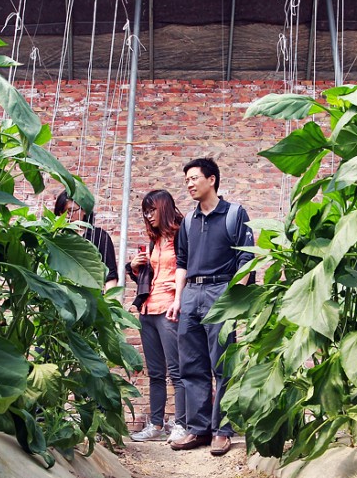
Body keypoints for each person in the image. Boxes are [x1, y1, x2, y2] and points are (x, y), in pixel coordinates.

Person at [167, 158, 254, 456]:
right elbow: (181, 262)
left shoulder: (234, 214)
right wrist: (178, 299)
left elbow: (247, 257)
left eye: (194, 178)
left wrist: (234, 295)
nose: (189, 184)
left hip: (221, 290)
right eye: (186, 180)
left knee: (223, 364)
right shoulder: (189, 222)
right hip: (192, 292)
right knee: (192, 365)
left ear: (212, 179)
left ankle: (222, 430)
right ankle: (199, 429)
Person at [126, 190, 188, 444]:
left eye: (152, 210)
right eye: (145, 211)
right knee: (155, 373)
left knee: (177, 371)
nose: (148, 215)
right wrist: (134, 268)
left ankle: (182, 425)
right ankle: (156, 424)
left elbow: (190, 268)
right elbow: (149, 278)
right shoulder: (155, 240)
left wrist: (180, 297)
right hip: (148, 310)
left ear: (164, 208)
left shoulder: (183, 235)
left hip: (169, 309)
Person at [53, 191, 118, 290]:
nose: (67, 216)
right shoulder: (54, 237)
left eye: (71, 211)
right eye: (62, 211)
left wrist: (109, 301)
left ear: (84, 211)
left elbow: (110, 274)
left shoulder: (99, 236)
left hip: (91, 296)